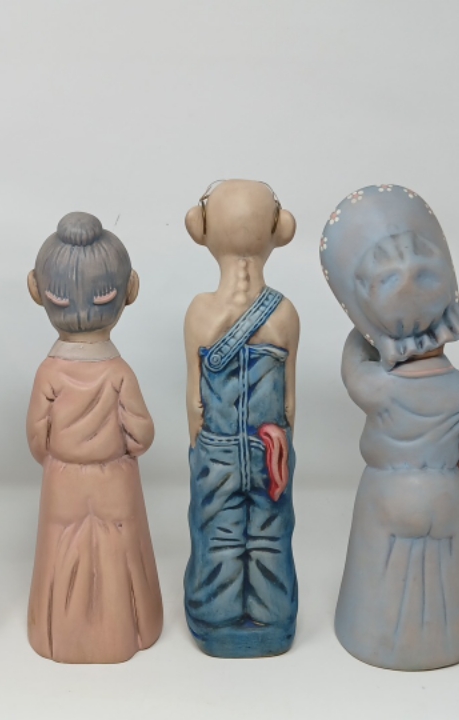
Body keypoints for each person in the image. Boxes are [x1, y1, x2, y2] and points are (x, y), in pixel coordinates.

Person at [320, 185, 459, 670]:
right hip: (442, 491)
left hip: (388, 493)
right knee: (440, 577)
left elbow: (353, 356)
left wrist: (369, 329)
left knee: (380, 572)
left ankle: (371, 637)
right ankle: (444, 642)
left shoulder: (378, 387)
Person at [25, 212, 163, 664]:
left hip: (63, 479)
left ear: (36, 290)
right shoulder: (119, 372)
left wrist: (58, 457)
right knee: (118, 555)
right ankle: (127, 632)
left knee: (61, 552)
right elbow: (141, 434)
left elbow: (37, 439)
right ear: (130, 290)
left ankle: (56, 635)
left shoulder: (49, 372)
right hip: (114, 480)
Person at [181, 180, 301, 658]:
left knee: (218, 533)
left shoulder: (200, 311)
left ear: (201, 229)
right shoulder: (285, 313)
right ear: (279, 230)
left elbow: (194, 402)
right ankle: (273, 618)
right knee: (270, 533)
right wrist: (283, 454)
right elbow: (289, 404)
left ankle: (217, 618)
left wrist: (200, 451)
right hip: (271, 448)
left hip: (218, 446)